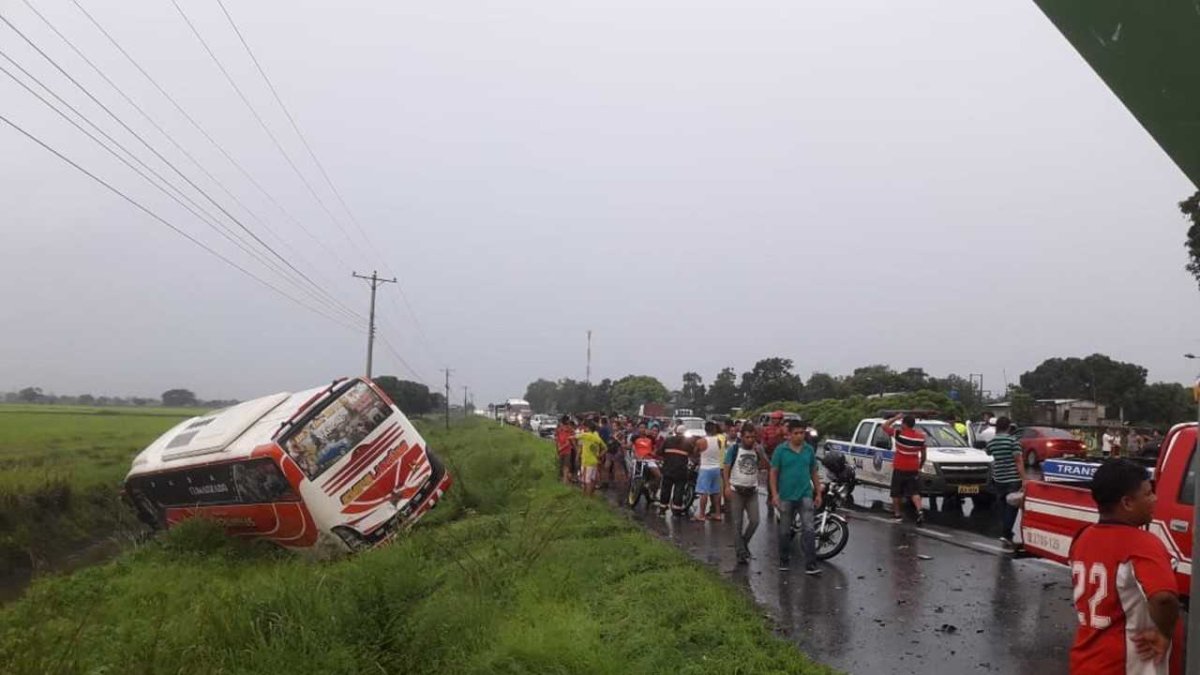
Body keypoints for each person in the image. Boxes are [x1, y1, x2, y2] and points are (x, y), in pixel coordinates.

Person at [1068, 459, 1181, 674]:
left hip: (1086, 659)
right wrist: (1165, 633)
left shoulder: (1082, 537)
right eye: (1148, 494)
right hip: (1124, 665)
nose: (1155, 499)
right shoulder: (1141, 543)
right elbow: (1163, 599)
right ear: (1127, 503)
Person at [769, 419, 822, 574]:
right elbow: (774, 473)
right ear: (789, 435)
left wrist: (818, 492)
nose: (799, 436)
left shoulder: (809, 450)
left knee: (809, 529)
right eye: (796, 433)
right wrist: (774, 494)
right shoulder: (781, 451)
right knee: (785, 530)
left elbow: (814, 472)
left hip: (805, 494)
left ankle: (811, 564)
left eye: (802, 433)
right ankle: (784, 560)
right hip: (786, 496)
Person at [724, 423, 767, 564]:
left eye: (753, 437)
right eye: (747, 437)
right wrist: (727, 486)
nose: (750, 440)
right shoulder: (734, 449)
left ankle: (742, 542)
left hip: (752, 490)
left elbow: (767, 467)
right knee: (737, 523)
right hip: (737, 490)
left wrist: (760, 454)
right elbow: (726, 468)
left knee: (755, 521)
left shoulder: (757, 450)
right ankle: (741, 553)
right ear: (741, 437)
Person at [985, 416, 1025, 548]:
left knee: (1002, 505)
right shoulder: (1013, 441)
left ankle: (1006, 532)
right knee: (1012, 507)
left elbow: (988, 453)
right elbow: (1018, 461)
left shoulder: (992, 442)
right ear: (1009, 427)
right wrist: (1024, 479)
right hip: (1013, 479)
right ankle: (1006, 533)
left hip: (999, 479)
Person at [882, 413, 927, 525]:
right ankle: (920, 510)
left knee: (896, 493)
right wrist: (920, 465)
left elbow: (884, 426)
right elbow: (924, 454)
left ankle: (897, 515)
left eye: (902, 423)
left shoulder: (899, 434)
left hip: (900, 467)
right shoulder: (921, 437)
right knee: (914, 492)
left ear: (905, 424)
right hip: (913, 468)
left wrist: (896, 417)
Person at [692, 421, 725, 521]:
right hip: (716, 468)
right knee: (716, 492)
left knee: (704, 493)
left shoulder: (701, 441)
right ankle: (718, 514)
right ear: (714, 429)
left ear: (705, 430)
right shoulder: (719, 441)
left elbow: (695, 453)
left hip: (705, 469)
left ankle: (701, 515)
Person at [658, 433, 692, 516]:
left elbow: (659, 452)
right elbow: (693, 453)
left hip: (668, 470)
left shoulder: (668, 440)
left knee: (665, 489)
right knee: (679, 490)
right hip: (681, 471)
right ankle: (676, 511)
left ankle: (662, 510)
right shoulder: (687, 443)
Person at [576, 420, 606, 496]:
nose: (583, 428)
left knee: (586, 480)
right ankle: (591, 496)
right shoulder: (596, 434)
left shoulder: (585, 435)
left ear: (587, 427)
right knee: (592, 479)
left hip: (586, 461)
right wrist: (599, 455)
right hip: (594, 460)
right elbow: (605, 448)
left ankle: (587, 497)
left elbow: (579, 446)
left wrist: (577, 456)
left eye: (584, 426)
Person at [554, 416, 576, 484]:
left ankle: (564, 479)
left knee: (563, 465)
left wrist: (558, 449)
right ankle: (565, 479)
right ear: (567, 421)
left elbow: (556, 440)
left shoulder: (559, 429)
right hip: (566, 450)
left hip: (563, 450)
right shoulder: (570, 429)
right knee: (565, 465)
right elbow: (571, 441)